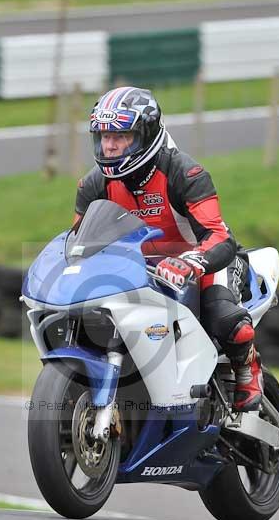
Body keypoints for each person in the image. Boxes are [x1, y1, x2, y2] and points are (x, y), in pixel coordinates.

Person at [74, 85, 263, 411]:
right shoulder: (94, 185)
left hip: (204, 263)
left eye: (121, 136)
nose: (110, 145)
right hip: (139, 271)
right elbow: (78, 240)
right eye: (104, 136)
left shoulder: (185, 172)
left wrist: (190, 263)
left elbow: (220, 237)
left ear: (146, 136)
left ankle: (248, 369)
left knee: (222, 317)